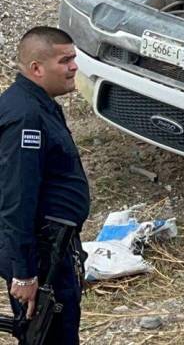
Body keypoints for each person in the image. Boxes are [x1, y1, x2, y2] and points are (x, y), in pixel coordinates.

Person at [0, 27, 90, 345]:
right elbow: (17, 197)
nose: (74, 67)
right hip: (40, 255)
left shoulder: (39, 104)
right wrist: (23, 271)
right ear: (37, 68)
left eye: (74, 59)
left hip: (55, 249)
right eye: (65, 60)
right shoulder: (25, 117)